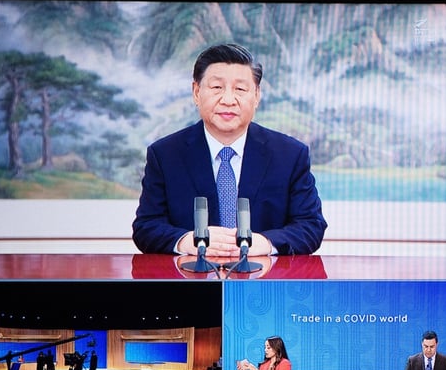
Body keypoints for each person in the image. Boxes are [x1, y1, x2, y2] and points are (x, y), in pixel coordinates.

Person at [132, 42, 327, 257]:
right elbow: (146, 227)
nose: (227, 100)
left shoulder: (290, 155)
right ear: (196, 92)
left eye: (240, 89)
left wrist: (265, 244)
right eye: (216, 88)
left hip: (262, 283)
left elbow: (311, 226)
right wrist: (186, 242)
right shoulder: (165, 155)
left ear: (257, 96)